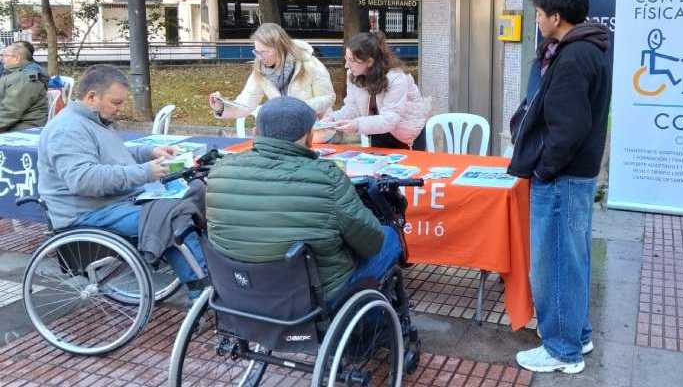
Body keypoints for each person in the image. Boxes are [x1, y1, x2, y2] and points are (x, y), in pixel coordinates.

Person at [507, 0, 611, 374]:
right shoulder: (584, 48)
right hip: (574, 175)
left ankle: (562, 349)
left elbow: (567, 129)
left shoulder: (572, 57)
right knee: (572, 258)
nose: (536, 20)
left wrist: (545, 169)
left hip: (562, 176)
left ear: (556, 16)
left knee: (554, 264)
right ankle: (577, 334)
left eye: (538, 14)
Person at [206, 96, 402, 302]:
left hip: (238, 289)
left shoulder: (220, 170)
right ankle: (375, 322)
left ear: (255, 133)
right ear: (310, 137)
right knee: (388, 237)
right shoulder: (327, 178)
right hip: (311, 298)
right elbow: (371, 244)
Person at [37, 64, 208, 299]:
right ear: (92, 97)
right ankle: (202, 294)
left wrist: (150, 152)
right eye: (116, 103)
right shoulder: (67, 129)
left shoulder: (91, 121)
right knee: (172, 217)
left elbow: (112, 154)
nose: (120, 109)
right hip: (87, 212)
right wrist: (146, 171)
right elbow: (84, 180)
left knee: (194, 195)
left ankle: (207, 279)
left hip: (110, 203)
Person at [207, 23, 335, 120]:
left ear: (281, 48)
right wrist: (221, 107)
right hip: (286, 133)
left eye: (264, 52)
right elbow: (245, 105)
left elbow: (328, 98)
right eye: (256, 52)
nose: (259, 57)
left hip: (317, 131)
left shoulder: (309, 64)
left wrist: (296, 107)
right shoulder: (260, 70)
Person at [324, 31, 427, 150]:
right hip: (377, 130)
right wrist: (333, 118)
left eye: (352, 60)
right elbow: (353, 107)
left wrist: (357, 125)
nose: (347, 65)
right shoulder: (353, 75)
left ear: (369, 61)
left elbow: (389, 119)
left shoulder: (397, 77)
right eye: (346, 59)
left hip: (407, 134)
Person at [0, 42, 48, 132]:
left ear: (17, 59)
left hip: (23, 128)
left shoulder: (24, 79)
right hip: (12, 124)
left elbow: (10, 112)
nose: (2, 59)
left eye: (5, 55)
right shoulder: (11, 73)